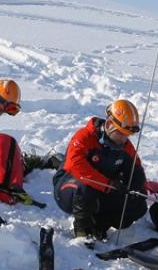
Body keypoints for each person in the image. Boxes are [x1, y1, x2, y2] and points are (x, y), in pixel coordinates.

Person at [53, 100, 148, 240]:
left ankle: (99, 225)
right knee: (87, 183)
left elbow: (136, 171)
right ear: (109, 125)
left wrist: (137, 190)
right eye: (121, 133)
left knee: (138, 206)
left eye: (127, 135)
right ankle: (82, 228)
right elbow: (76, 166)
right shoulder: (85, 136)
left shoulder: (125, 147)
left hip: (102, 191)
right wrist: (108, 184)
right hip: (69, 189)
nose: (124, 139)